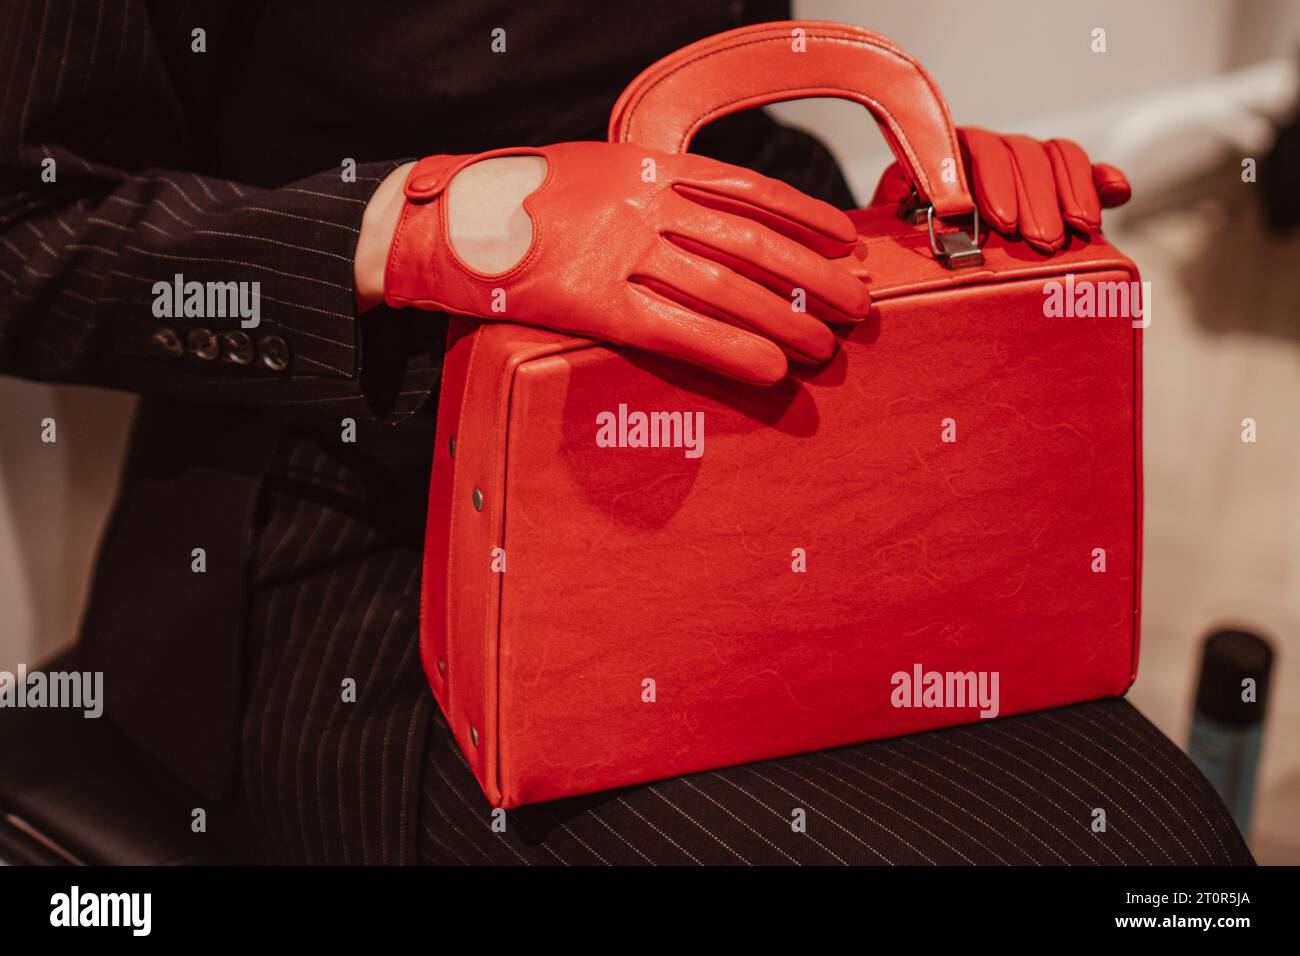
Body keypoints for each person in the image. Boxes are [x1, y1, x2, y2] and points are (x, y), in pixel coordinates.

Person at [1, 2, 1156, 865]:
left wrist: (918, 218)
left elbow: (726, 116)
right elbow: (23, 233)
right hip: (363, 534)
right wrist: (414, 229)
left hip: (753, 467)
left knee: (1160, 844)